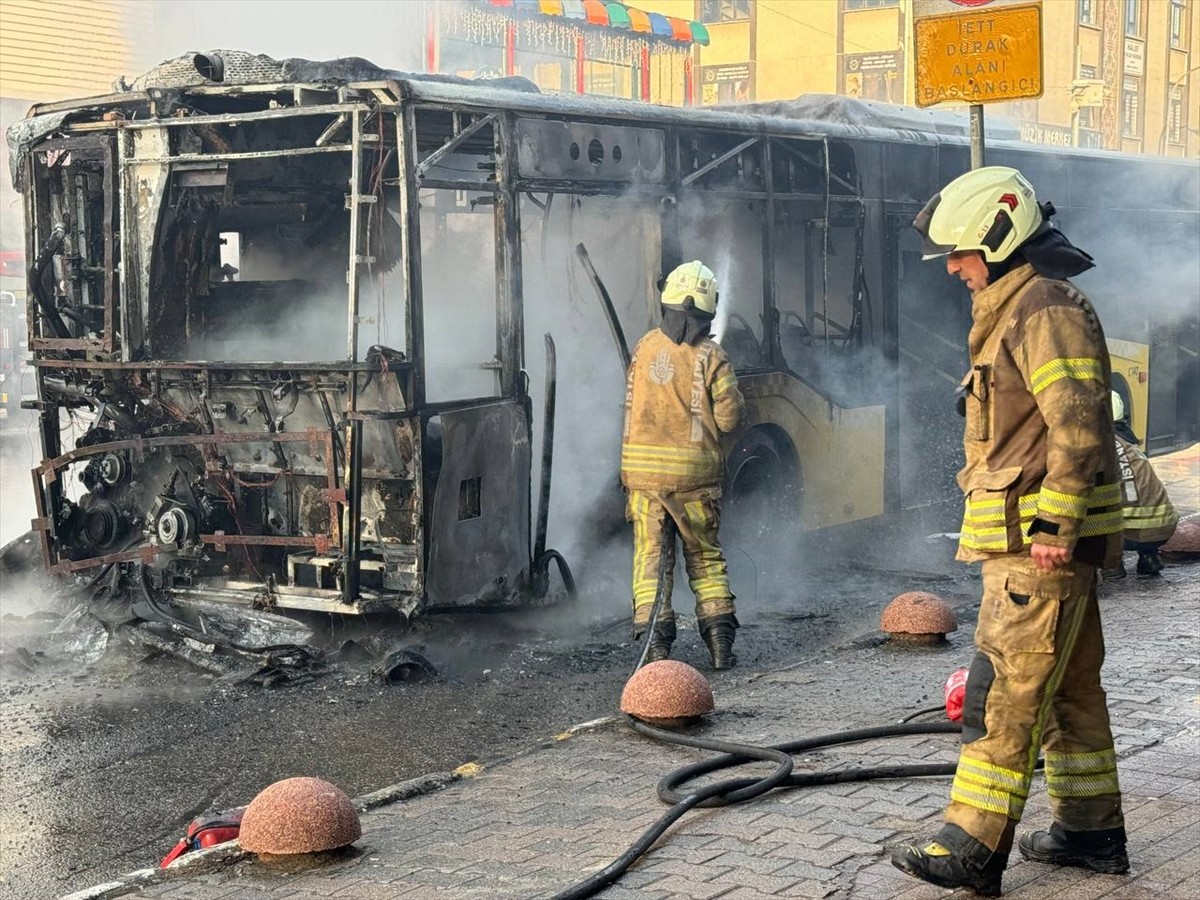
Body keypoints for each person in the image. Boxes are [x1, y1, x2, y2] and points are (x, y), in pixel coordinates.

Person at [894, 167, 1128, 896]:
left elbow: (1080, 422)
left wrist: (1056, 518)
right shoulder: (1020, 306)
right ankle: (1089, 833)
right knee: (1070, 692)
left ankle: (971, 845)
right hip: (1040, 542)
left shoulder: (1040, 308)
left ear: (997, 239)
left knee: (1006, 693)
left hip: (1038, 545)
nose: (954, 268)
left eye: (960, 253)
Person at [621, 260, 744, 669]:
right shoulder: (713, 357)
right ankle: (721, 651)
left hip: (643, 480)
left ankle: (655, 653)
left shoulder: (643, 348)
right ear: (707, 311)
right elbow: (729, 418)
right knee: (705, 558)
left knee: (650, 561)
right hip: (696, 481)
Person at [1106, 391, 1178, 578]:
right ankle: (1149, 557)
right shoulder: (1129, 442)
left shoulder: (1102, 443)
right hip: (1165, 527)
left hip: (1130, 534)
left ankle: (1112, 564)